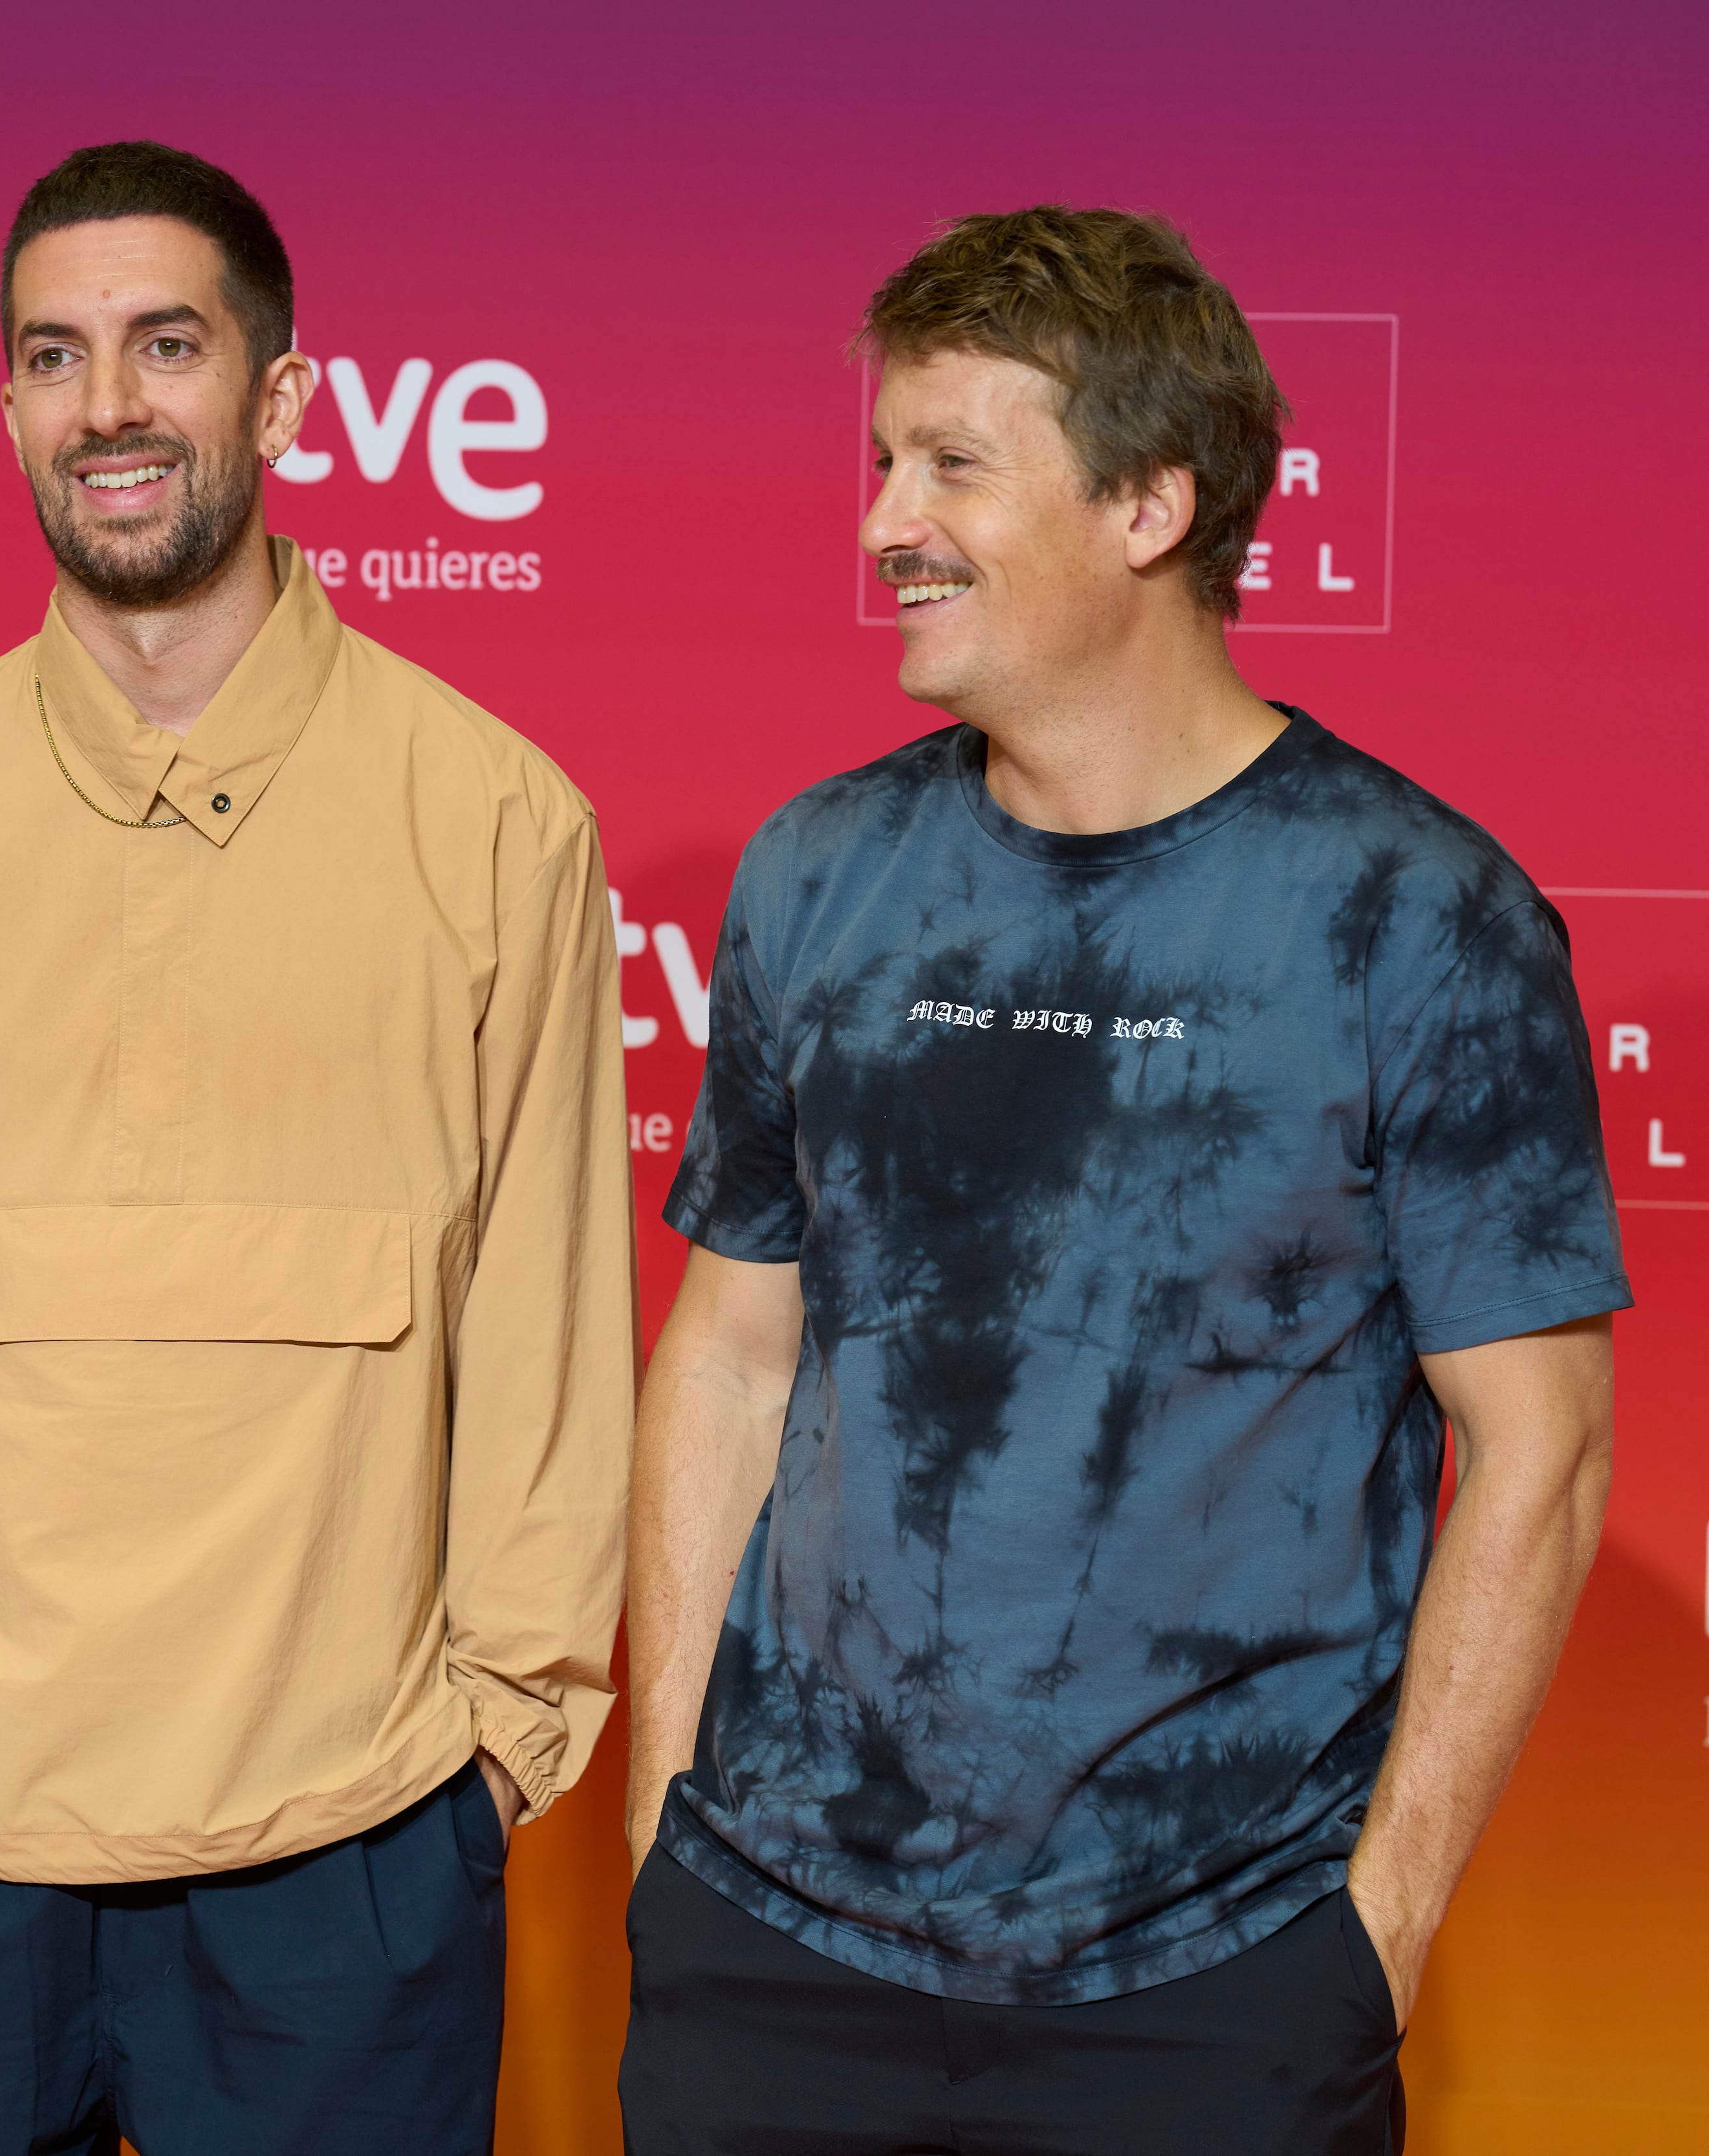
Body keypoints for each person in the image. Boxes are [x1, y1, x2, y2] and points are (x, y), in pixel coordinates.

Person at [618, 206, 1630, 2153]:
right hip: (771, 1956)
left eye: (954, 467)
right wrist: (668, 1823)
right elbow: (733, 1357)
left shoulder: (1419, 916)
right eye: (884, 462)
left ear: (1153, 505)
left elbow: (1543, 1447)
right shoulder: (817, 875)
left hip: (1210, 1984)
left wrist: (1375, 1938)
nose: (884, 522)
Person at [0, 141, 633, 2153]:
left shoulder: (494, 824)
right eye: (56, 356)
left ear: (280, 398)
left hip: (347, 1856)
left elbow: (545, 1347)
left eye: (165, 347)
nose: (108, 405)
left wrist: (498, 1748)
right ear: (12, 406)